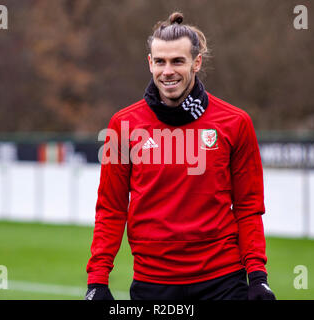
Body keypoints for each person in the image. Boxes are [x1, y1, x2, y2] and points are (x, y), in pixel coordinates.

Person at [85, 12, 276, 300]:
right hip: (153, 284)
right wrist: (97, 282)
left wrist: (258, 277)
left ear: (196, 62)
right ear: (150, 62)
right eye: (160, 61)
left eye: (177, 61)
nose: (167, 71)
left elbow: (248, 207)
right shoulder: (121, 126)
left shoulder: (236, 123)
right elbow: (110, 209)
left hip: (223, 282)